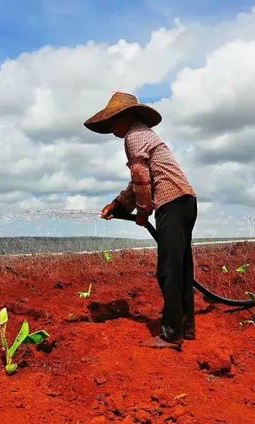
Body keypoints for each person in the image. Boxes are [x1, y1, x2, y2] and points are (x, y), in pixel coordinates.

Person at [84, 92, 198, 350]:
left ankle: (171, 334)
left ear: (126, 117)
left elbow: (141, 181)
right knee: (181, 269)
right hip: (186, 201)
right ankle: (186, 327)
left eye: (113, 122)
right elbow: (137, 181)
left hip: (171, 203)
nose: (112, 129)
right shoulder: (144, 134)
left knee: (168, 271)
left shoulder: (134, 137)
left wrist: (144, 211)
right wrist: (118, 204)